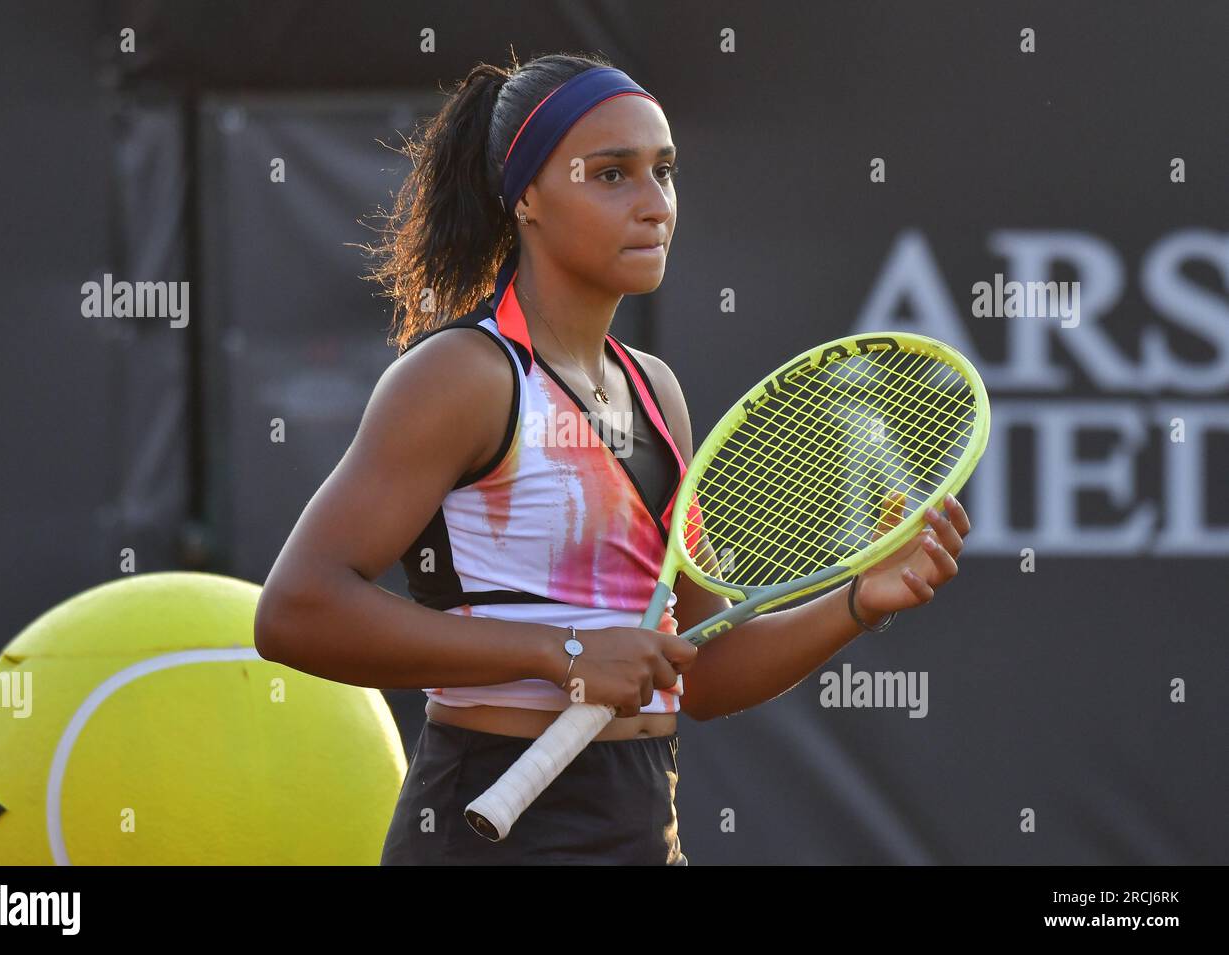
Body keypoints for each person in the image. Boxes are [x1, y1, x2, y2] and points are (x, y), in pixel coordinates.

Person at [253, 50, 972, 865]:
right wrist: (561, 654)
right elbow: (296, 610)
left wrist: (859, 601)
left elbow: (702, 669)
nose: (654, 205)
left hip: (642, 823)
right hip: (490, 824)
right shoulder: (462, 377)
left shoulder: (656, 393)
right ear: (526, 196)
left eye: (663, 171)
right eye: (611, 175)